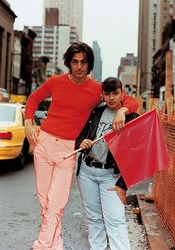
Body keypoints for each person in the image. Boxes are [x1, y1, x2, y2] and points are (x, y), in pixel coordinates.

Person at [24, 42, 138, 250]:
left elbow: (129, 100)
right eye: (75, 62)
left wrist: (122, 111)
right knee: (45, 202)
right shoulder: (55, 81)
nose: (79, 67)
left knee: (56, 202)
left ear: (89, 64)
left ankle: (41, 245)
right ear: (68, 62)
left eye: (83, 62)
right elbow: (33, 99)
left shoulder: (97, 90)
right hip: (45, 143)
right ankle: (55, 244)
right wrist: (28, 122)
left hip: (69, 150)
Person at [75, 77, 139, 250]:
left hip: (111, 175)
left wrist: (122, 185)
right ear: (102, 95)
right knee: (93, 219)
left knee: (115, 221)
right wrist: (82, 143)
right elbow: (79, 134)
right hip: (87, 171)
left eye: (115, 93)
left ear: (122, 95)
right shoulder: (95, 112)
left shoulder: (132, 117)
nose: (111, 98)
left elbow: (137, 155)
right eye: (107, 94)